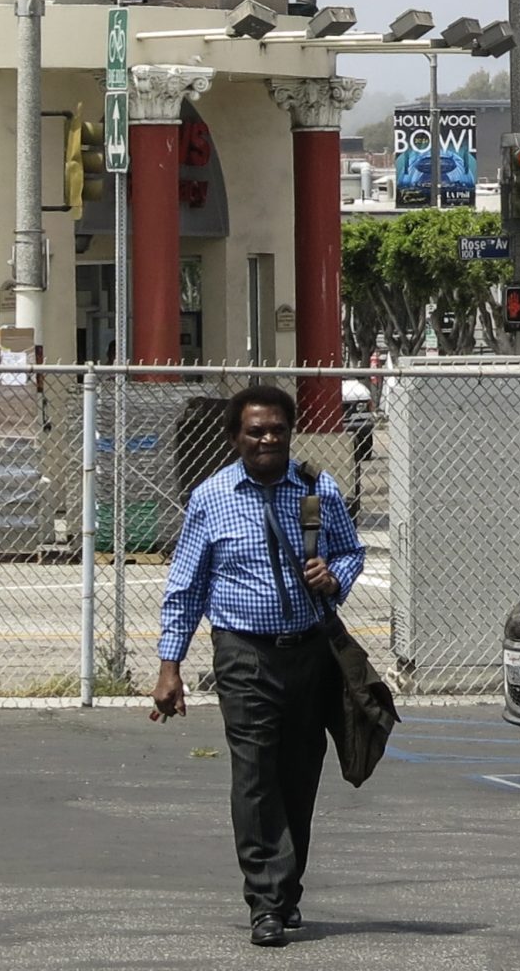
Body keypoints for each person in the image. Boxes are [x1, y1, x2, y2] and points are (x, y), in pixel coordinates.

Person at [152, 384, 365, 947]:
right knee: (255, 775)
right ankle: (266, 902)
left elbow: (351, 551)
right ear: (235, 438)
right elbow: (186, 586)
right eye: (256, 431)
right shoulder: (211, 497)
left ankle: (286, 890)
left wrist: (334, 577)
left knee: (299, 774)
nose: (267, 439)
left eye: (277, 430)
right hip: (244, 654)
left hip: (310, 653)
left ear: (290, 433)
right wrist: (170, 665)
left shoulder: (318, 489)